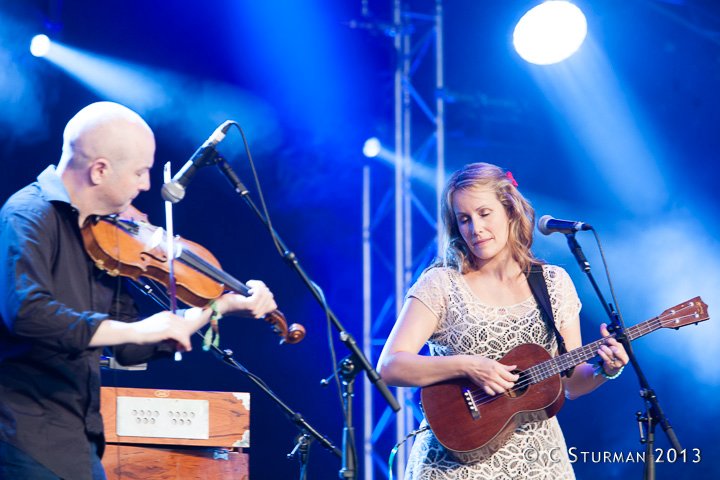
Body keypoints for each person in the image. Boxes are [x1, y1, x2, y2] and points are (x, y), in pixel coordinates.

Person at [0, 102, 278, 480]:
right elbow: (27, 312)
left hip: (77, 444)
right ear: (100, 170)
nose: (146, 185)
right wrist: (136, 330)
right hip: (23, 441)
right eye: (140, 172)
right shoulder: (28, 214)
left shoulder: (103, 240)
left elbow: (131, 347)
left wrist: (221, 305)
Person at [377, 162, 629, 479]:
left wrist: (606, 370)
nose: (475, 229)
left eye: (484, 213)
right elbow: (390, 367)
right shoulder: (440, 284)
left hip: (538, 463)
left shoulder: (553, 282)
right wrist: (468, 365)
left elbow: (570, 384)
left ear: (510, 210)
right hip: (455, 464)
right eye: (464, 219)